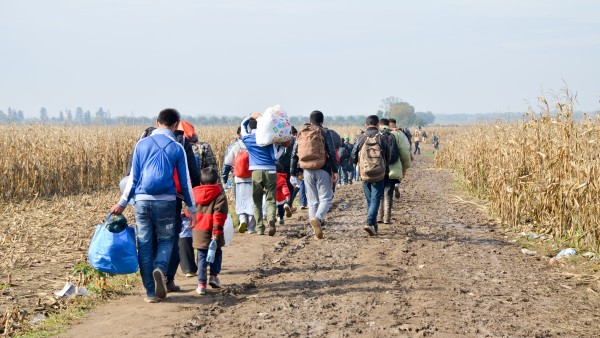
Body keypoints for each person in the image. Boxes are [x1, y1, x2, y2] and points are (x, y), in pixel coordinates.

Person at [111, 108, 197, 303]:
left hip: (142, 202)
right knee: (167, 240)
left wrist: (122, 203)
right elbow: (185, 183)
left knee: (145, 245)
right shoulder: (177, 147)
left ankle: (150, 293)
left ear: (157, 122)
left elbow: (133, 178)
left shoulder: (141, 144)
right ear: (176, 125)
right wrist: (192, 209)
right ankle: (160, 268)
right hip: (166, 202)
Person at [290, 110, 338, 240]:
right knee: (326, 197)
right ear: (322, 121)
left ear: (310, 121)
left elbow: (294, 154)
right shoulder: (325, 132)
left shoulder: (302, 132)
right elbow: (332, 153)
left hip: (307, 170)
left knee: (312, 201)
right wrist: (335, 171)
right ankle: (318, 218)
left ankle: (314, 231)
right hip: (323, 168)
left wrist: (293, 173)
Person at [241, 114, 284, 236]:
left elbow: (242, 125)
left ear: (250, 126)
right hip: (270, 170)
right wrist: (281, 148)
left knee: (257, 200)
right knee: (271, 198)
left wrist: (250, 116)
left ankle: (259, 228)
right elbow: (275, 156)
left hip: (256, 171)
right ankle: (271, 218)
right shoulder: (267, 138)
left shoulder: (247, 139)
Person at [189, 167, 228, 295]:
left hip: (199, 232)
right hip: (213, 232)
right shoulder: (220, 196)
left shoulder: (194, 194)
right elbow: (219, 216)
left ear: (200, 182)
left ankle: (201, 284)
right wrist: (217, 232)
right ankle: (214, 276)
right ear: (217, 181)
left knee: (201, 257)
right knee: (216, 253)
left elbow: (187, 211)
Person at [352, 115, 390, 236]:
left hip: (364, 173)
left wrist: (359, 164)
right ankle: (370, 223)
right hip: (379, 173)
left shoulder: (360, 138)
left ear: (366, 125)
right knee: (375, 199)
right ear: (378, 125)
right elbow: (389, 155)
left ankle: (372, 224)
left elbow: (353, 155)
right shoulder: (382, 137)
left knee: (369, 200)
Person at [223, 126, 256, 233]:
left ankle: (242, 220)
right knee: (251, 201)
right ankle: (251, 227)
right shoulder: (253, 144)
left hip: (238, 178)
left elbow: (227, 161)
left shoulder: (236, 145)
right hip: (251, 178)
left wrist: (235, 165)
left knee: (241, 201)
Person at [377, 118, 411, 224]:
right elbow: (405, 153)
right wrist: (404, 167)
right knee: (388, 193)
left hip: (378, 168)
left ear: (380, 125)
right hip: (393, 169)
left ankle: (379, 216)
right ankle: (387, 218)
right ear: (390, 125)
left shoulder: (376, 134)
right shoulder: (397, 135)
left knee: (379, 193)